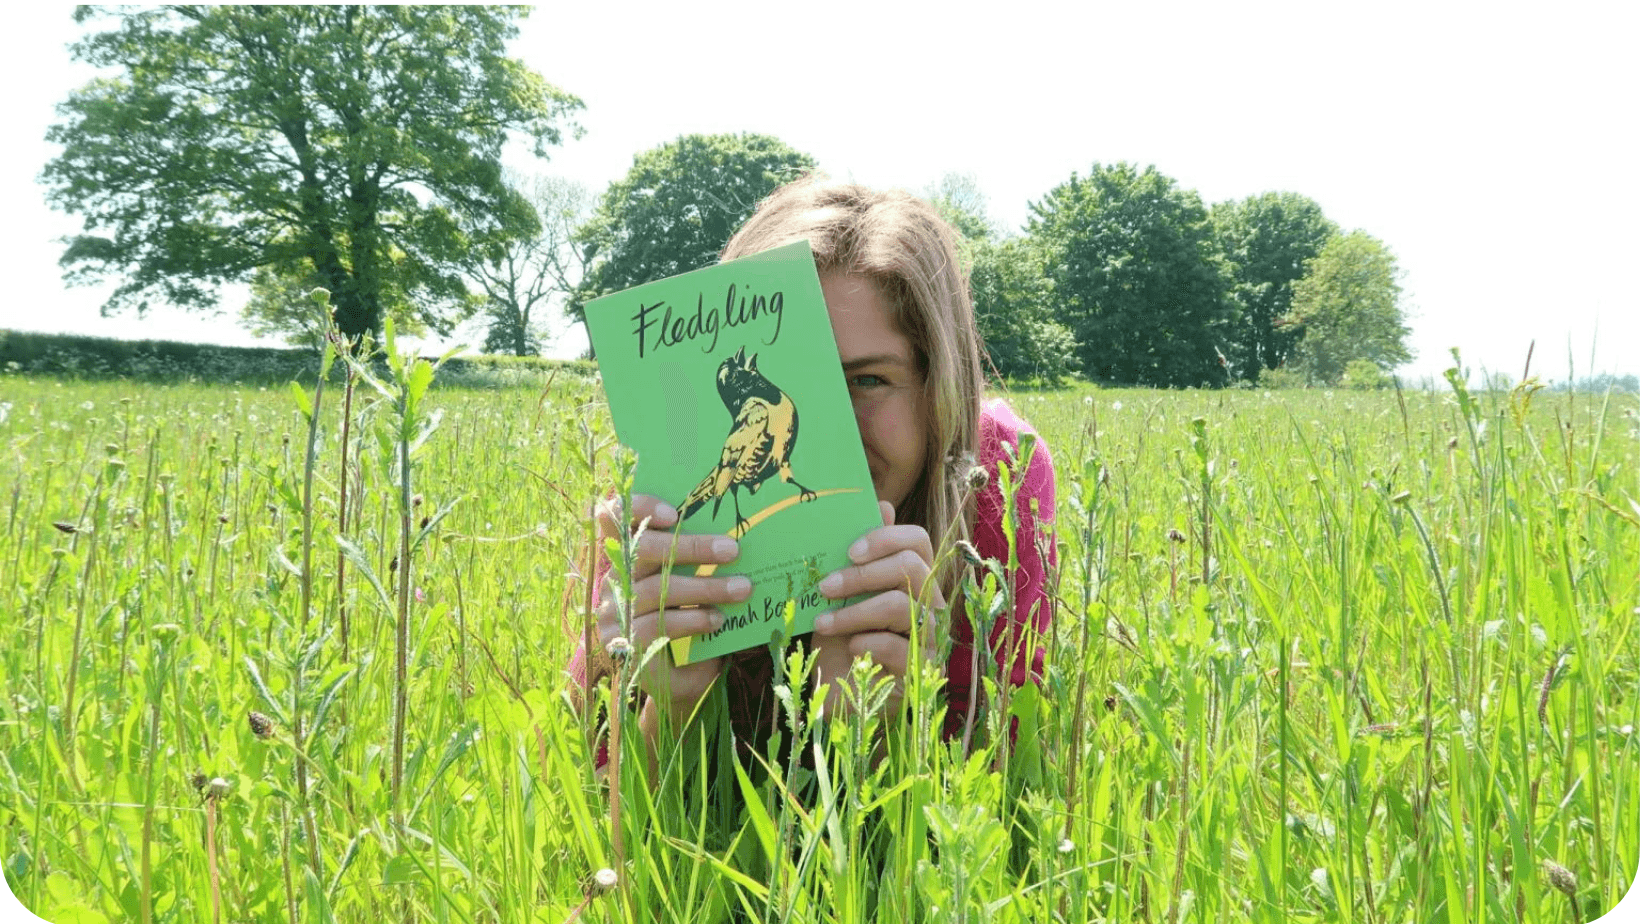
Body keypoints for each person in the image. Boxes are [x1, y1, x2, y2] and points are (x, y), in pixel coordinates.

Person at [568, 177, 1056, 766]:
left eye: (867, 380)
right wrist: (673, 708)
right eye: (796, 373)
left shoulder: (998, 474)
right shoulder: (662, 506)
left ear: (940, 391)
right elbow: (579, 822)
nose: (831, 434)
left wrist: (880, 727)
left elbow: (1006, 803)